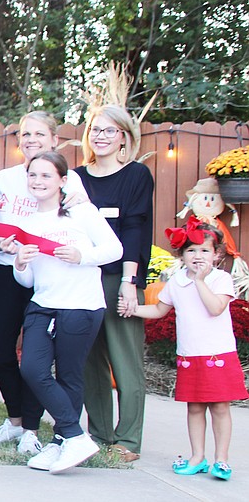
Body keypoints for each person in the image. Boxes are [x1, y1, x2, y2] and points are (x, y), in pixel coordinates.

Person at [0, 151, 122, 473]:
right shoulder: (26, 223)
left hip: (80, 306)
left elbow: (114, 250)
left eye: (46, 176)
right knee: (33, 369)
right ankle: (75, 436)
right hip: (43, 304)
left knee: (69, 376)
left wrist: (81, 255)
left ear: (62, 181)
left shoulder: (82, 213)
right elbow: (26, 279)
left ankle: (59, 443)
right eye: (33, 175)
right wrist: (21, 262)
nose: (38, 182)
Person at [0, 111, 87, 454]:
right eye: (25, 134)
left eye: (39, 134)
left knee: (37, 358)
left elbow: (79, 226)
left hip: (50, 277)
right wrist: (0, 243)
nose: (31, 140)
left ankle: (30, 428)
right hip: (7, 272)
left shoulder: (69, 181)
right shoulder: (4, 178)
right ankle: (14, 419)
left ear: (54, 140)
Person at [122, 219, 248, 480]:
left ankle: (221, 460)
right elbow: (159, 309)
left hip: (218, 355)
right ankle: (197, 456)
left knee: (221, 408)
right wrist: (133, 309)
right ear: (181, 255)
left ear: (217, 254)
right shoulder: (177, 281)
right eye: (191, 251)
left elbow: (215, 308)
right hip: (190, 356)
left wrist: (200, 281)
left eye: (204, 250)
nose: (198, 256)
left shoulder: (220, 279)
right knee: (194, 408)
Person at [76, 104, 154, 462]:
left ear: (124, 136)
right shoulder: (76, 177)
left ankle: (128, 440)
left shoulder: (136, 176)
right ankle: (100, 434)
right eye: (96, 129)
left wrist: (129, 281)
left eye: (110, 130)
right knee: (89, 362)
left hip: (118, 278)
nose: (101, 136)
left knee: (125, 361)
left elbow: (135, 229)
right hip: (81, 280)